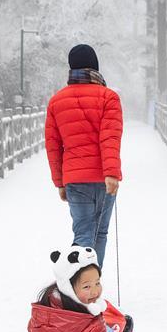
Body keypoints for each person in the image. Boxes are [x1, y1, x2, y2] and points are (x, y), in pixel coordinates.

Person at [45, 44, 122, 268]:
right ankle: (92, 283)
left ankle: (80, 285)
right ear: (95, 66)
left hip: (74, 180)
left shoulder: (56, 101)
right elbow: (110, 138)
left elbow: (53, 146)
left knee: (82, 233)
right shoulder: (109, 98)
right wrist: (111, 173)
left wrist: (60, 182)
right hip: (103, 178)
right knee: (100, 232)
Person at [28, 245, 147, 332]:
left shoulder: (42, 313)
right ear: (68, 288)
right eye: (86, 286)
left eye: (97, 283)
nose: (95, 291)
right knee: (125, 325)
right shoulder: (91, 327)